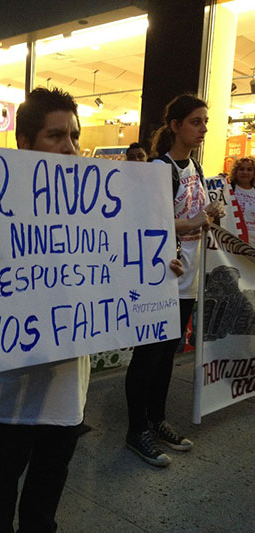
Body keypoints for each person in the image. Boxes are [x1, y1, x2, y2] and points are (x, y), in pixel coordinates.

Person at [0, 87, 90, 533]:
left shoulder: (96, 212)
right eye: (56, 136)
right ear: (24, 143)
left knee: (43, 505)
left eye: (73, 136)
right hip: (10, 395)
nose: (69, 147)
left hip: (67, 394)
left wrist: (155, 272)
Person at [125, 93, 225, 467]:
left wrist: (208, 214)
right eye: (196, 122)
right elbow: (150, 223)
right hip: (160, 279)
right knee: (147, 356)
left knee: (166, 355)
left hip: (188, 276)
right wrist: (196, 221)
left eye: (205, 122)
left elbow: (187, 216)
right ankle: (136, 431)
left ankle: (156, 419)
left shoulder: (194, 168)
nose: (203, 129)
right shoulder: (158, 168)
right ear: (175, 126)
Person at [229, 156, 255, 247]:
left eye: (249, 169)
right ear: (235, 172)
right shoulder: (227, 189)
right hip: (231, 243)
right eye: (241, 169)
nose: (245, 172)